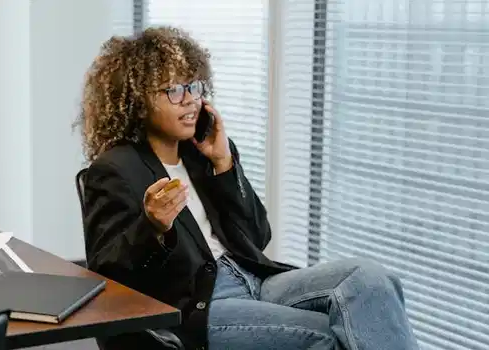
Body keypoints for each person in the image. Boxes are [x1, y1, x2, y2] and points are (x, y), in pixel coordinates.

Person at [77, 26, 420, 350]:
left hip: (252, 279)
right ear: (138, 100)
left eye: (194, 86)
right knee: (323, 336)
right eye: (174, 90)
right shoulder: (115, 169)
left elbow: (257, 236)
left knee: (371, 279)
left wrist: (225, 165)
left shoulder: (203, 155)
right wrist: (152, 227)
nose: (190, 100)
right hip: (198, 305)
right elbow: (106, 272)